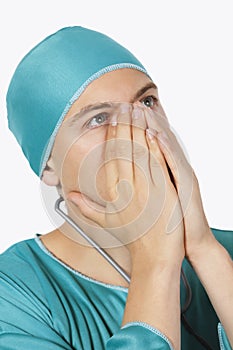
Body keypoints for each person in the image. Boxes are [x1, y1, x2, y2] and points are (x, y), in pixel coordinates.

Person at [1, 26, 232, 350]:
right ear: (49, 165)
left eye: (147, 102)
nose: (139, 130)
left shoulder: (225, 249)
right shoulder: (13, 294)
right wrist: (155, 265)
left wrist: (206, 250)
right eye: (98, 119)